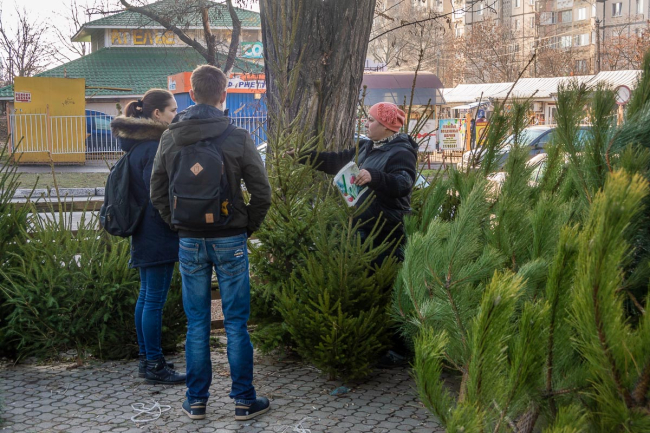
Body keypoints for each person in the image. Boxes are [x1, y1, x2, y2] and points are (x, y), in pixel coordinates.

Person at [150, 65, 272, 421]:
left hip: (189, 239)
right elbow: (262, 192)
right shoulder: (237, 137)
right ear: (223, 94)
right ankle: (244, 401)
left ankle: (196, 401)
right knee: (235, 322)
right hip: (230, 237)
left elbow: (157, 191)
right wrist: (245, 227)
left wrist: (177, 224)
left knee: (197, 323)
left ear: (191, 94)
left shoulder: (171, 137)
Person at [110, 89, 186, 385]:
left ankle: (147, 360)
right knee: (153, 299)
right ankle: (154, 364)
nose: (175, 115)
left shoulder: (137, 145)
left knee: (146, 297)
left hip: (145, 231)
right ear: (157, 113)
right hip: (157, 231)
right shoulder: (153, 147)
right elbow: (158, 195)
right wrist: (174, 221)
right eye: (172, 110)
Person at [296, 102, 417, 266]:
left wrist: (374, 176)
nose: (366, 124)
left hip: (385, 238)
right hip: (360, 233)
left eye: (371, 120)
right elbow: (337, 161)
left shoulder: (401, 152)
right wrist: (302, 156)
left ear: (386, 126)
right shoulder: (365, 146)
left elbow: (403, 183)